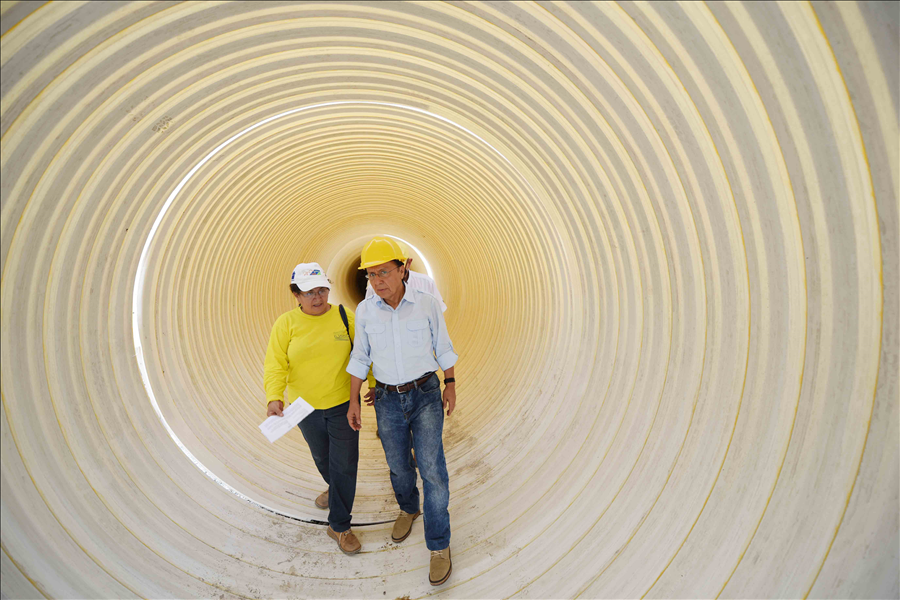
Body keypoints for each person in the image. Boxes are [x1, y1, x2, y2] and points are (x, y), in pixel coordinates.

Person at [346, 237, 458, 586]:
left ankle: (439, 545)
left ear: (403, 268)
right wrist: (354, 399)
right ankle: (409, 508)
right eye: (371, 275)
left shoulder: (425, 305)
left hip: (424, 394)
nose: (378, 281)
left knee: (432, 469)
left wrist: (450, 383)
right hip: (386, 399)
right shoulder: (365, 311)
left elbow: (443, 345)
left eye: (384, 272)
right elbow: (360, 357)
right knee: (397, 464)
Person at [264, 262, 362, 555]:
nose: (317, 297)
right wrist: (274, 396)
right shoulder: (286, 324)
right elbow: (276, 363)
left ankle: (340, 525)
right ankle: (336, 489)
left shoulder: (346, 318)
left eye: (322, 290)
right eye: (309, 292)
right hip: (303, 408)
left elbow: (364, 354)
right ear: (296, 294)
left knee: (344, 464)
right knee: (323, 458)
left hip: (342, 404)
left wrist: (371, 386)